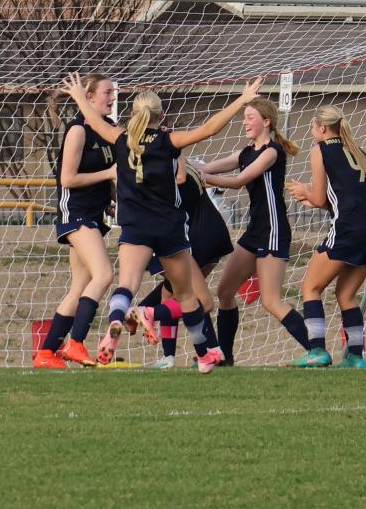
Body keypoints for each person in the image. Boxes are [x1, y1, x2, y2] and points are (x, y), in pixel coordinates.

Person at [61, 75, 260, 371]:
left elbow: (91, 117)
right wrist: (241, 101)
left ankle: (116, 320)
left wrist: (79, 96)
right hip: (168, 228)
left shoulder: (119, 138)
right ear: (161, 115)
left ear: (132, 115)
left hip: (135, 227)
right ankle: (205, 355)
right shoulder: (168, 140)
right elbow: (209, 128)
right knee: (188, 295)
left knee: (126, 284)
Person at [198, 98, 313, 366]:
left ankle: (316, 349)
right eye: (244, 117)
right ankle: (225, 357)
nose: (244, 122)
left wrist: (205, 180)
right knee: (224, 292)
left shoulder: (272, 152)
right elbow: (210, 167)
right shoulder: (246, 150)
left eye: (250, 117)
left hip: (273, 230)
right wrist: (185, 168)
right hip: (254, 232)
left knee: (271, 301)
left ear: (266, 121)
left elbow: (238, 181)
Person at [286, 105, 366, 369]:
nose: (311, 133)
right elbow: (341, 195)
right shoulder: (356, 150)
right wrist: (313, 196)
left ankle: (317, 351)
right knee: (346, 294)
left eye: (312, 127)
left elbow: (319, 196)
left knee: (310, 287)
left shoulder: (319, 150)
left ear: (322, 128)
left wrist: (304, 191)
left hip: (348, 229)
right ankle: (355, 357)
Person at [35, 73, 118, 369]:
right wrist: (108, 175)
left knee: (81, 284)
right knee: (104, 274)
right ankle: (76, 344)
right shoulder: (79, 130)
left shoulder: (108, 130)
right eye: (107, 92)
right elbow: (68, 178)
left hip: (93, 213)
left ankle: (46, 353)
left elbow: (111, 171)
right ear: (90, 97)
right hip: (76, 213)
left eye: (113, 92)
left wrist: (108, 196)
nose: (112, 97)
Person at [136, 163, 237, 369]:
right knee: (170, 292)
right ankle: (178, 355)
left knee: (201, 301)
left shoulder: (159, 170)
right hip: (214, 232)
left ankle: (149, 314)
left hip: (192, 238)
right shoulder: (181, 162)